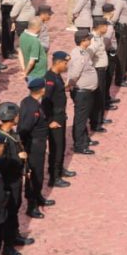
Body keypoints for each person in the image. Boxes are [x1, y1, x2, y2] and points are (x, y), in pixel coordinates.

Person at [0, 102, 28, 255]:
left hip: (16, 179)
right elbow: (1, 163)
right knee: (9, 213)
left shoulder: (10, 133)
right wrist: (18, 158)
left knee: (15, 208)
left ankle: (15, 235)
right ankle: (8, 246)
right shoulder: (1, 139)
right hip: (8, 182)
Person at [18, 78, 50, 220]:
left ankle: (38, 197)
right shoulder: (34, 108)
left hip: (36, 144)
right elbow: (25, 128)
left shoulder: (27, 101)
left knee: (38, 173)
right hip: (35, 146)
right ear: (42, 89)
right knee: (36, 175)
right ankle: (32, 206)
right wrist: (25, 146)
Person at [43, 52, 74, 190]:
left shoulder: (56, 76)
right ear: (58, 62)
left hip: (60, 116)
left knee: (61, 145)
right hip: (55, 118)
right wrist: (50, 121)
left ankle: (59, 169)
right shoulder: (49, 79)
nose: (66, 66)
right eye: (65, 63)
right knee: (56, 147)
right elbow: (45, 102)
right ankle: (54, 178)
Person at [67, 30, 98, 155]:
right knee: (80, 118)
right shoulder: (79, 55)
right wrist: (69, 85)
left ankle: (85, 139)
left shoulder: (81, 51)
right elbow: (75, 74)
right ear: (83, 41)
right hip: (82, 91)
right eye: (88, 39)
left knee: (83, 117)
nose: (90, 40)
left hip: (85, 91)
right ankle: (79, 144)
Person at [18, 17, 47, 83]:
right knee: (38, 92)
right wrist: (25, 73)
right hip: (37, 73)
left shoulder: (22, 35)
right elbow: (31, 62)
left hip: (30, 72)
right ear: (38, 27)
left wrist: (24, 68)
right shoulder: (35, 41)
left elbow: (20, 53)